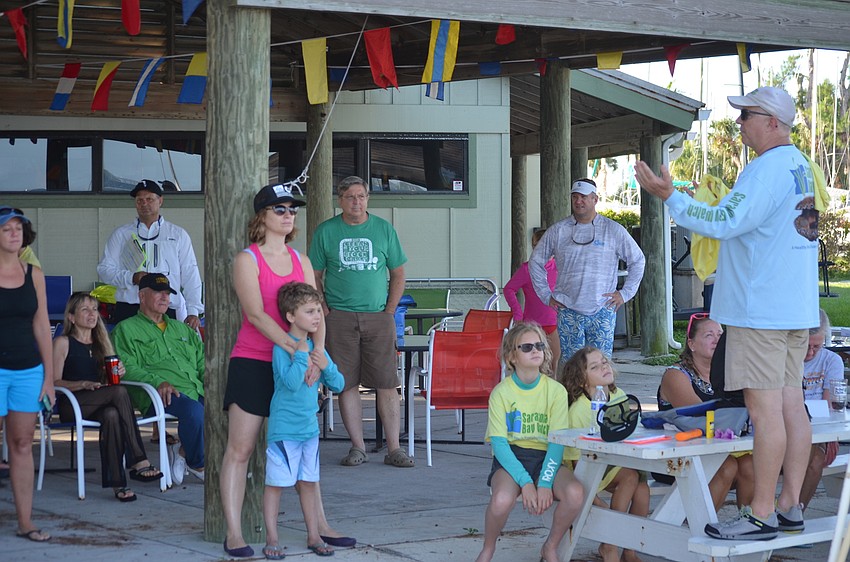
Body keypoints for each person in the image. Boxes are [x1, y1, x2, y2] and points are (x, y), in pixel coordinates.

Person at [636, 86, 819, 540]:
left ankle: (760, 514)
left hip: (760, 311)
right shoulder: (799, 166)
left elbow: (722, 222)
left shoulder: (765, 169)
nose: (739, 125)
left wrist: (669, 197)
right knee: (791, 406)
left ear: (773, 122)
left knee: (766, 411)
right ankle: (790, 505)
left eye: (747, 116)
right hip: (795, 308)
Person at [221, 183, 352, 558]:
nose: (288, 214)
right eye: (279, 208)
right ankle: (233, 532)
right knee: (241, 447)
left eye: (292, 208)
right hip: (254, 361)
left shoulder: (302, 260)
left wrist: (318, 354)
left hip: (299, 367)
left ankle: (320, 526)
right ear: (261, 216)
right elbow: (256, 315)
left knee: (304, 449)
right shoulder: (247, 259)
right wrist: (296, 347)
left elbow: (316, 311)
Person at [309, 175, 414, 468]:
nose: (357, 202)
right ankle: (357, 447)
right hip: (338, 317)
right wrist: (325, 308)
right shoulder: (326, 232)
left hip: (379, 316)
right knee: (346, 383)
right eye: (351, 197)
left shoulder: (383, 229)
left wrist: (390, 309)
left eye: (362, 196)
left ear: (368, 199)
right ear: (340, 200)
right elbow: (314, 274)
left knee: (387, 382)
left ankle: (395, 449)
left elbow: (399, 273)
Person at [476, 322, 584, 562]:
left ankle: (550, 546)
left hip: (548, 457)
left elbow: (557, 442)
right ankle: (488, 548)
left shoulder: (555, 391)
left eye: (539, 346)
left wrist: (544, 482)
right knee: (502, 499)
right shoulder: (501, 393)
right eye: (526, 347)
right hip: (512, 458)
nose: (535, 350)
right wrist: (526, 483)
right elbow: (500, 445)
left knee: (575, 494)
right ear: (512, 356)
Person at [52, 291, 164, 502]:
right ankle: (138, 459)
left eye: (94, 309)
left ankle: (118, 484)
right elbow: (53, 382)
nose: (92, 314)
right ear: (72, 317)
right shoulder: (63, 343)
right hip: (72, 403)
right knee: (119, 392)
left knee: (112, 415)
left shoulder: (102, 343)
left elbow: (109, 382)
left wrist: (118, 372)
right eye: (85, 309)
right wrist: (81, 384)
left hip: (100, 400)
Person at [263, 282, 345, 560]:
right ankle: (272, 537)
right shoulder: (283, 348)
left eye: (318, 311)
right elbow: (289, 383)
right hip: (284, 429)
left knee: (308, 482)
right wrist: (301, 358)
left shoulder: (316, 349)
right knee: (276, 485)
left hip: (309, 430)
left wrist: (325, 366)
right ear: (290, 316)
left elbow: (339, 383)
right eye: (309, 311)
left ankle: (313, 534)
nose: (317, 317)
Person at [529, 178, 645, 364]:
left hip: (603, 309)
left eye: (584, 197)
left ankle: (600, 395)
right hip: (567, 309)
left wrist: (625, 294)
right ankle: (573, 395)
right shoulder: (558, 230)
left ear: (595, 199)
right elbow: (535, 262)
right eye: (575, 197)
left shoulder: (613, 230)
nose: (578, 201)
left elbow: (638, 260)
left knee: (600, 365)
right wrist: (545, 294)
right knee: (571, 365)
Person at [111, 273, 205, 486]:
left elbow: (201, 361)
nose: (164, 297)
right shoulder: (125, 329)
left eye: (167, 293)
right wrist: (156, 382)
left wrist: (211, 381)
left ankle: (181, 450)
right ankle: (197, 463)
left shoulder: (182, 329)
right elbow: (127, 368)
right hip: (157, 394)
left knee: (227, 408)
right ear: (142, 296)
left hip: (195, 388)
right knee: (195, 413)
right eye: (158, 292)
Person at [656, 314, 754, 512]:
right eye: (709, 335)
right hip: (675, 452)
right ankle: (698, 529)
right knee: (726, 466)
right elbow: (701, 417)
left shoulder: (730, 373)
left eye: (720, 334)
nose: (717, 339)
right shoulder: (675, 375)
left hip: (715, 448)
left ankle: (750, 522)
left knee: (750, 464)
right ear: (691, 344)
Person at [559, 346, 648, 562]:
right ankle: (610, 544)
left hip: (617, 460)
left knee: (642, 489)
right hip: (586, 466)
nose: (604, 367)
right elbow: (572, 457)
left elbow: (633, 433)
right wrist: (596, 502)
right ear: (581, 379)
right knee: (630, 476)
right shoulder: (579, 409)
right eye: (594, 366)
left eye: (605, 362)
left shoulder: (620, 396)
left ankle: (630, 548)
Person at [0, 206, 53, 542]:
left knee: (21, 444)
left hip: (27, 369)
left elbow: (42, 324)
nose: (14, 233)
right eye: (7, 229)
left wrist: (49, 376)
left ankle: (25, 522)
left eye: (18, 228)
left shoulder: (33, 272)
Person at [97, 179, 203, 328]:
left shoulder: (178, 235)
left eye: (149, 199)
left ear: (160, 201)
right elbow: (104, 270)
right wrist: (131, 277)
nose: (144, 204)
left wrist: (193, 310)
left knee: (165, 351)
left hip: (166, 309)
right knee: (127, 351)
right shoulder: (121, 235)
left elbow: (190, 273)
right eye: (139, 200)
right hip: (130, 308)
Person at [800, 309, 843, 511]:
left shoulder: (831, 361)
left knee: (815, 459)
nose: (810, 353)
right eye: (805, 346)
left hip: (821, 433)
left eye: (816, 347)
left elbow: (827, 406)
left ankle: (796, 511)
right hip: (791, 431)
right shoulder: (786, 360)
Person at [504, 228, 560, 372]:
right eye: (537, 246)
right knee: (535, 364)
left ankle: (553, 393)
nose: (542, 250)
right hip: (533, 325)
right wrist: (518, 314)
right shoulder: (527, 269)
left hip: (557, 323)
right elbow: (509, 289)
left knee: (555, 363)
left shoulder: (561, 268)